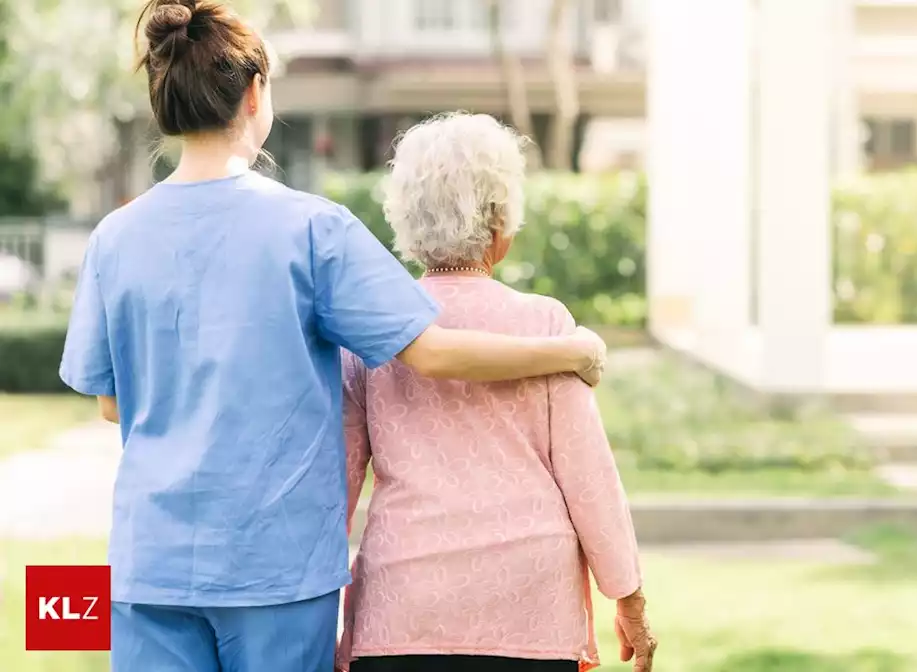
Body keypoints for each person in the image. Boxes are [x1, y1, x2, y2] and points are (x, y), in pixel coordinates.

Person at [57, 3, 608, 671]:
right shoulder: (312, 230)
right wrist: (567, 350)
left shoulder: (114, 238)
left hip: (151, 563)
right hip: (277, 570)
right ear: (255, 92)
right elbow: (431, 351)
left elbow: (112, 404)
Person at [336, 113, 657, 672]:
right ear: (500, 218)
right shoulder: (547, 325)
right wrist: (628, 599)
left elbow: (333, 486)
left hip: (403, 609)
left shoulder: (373, 334)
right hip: (530, 611)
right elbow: (590, 478)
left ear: (405, 216)